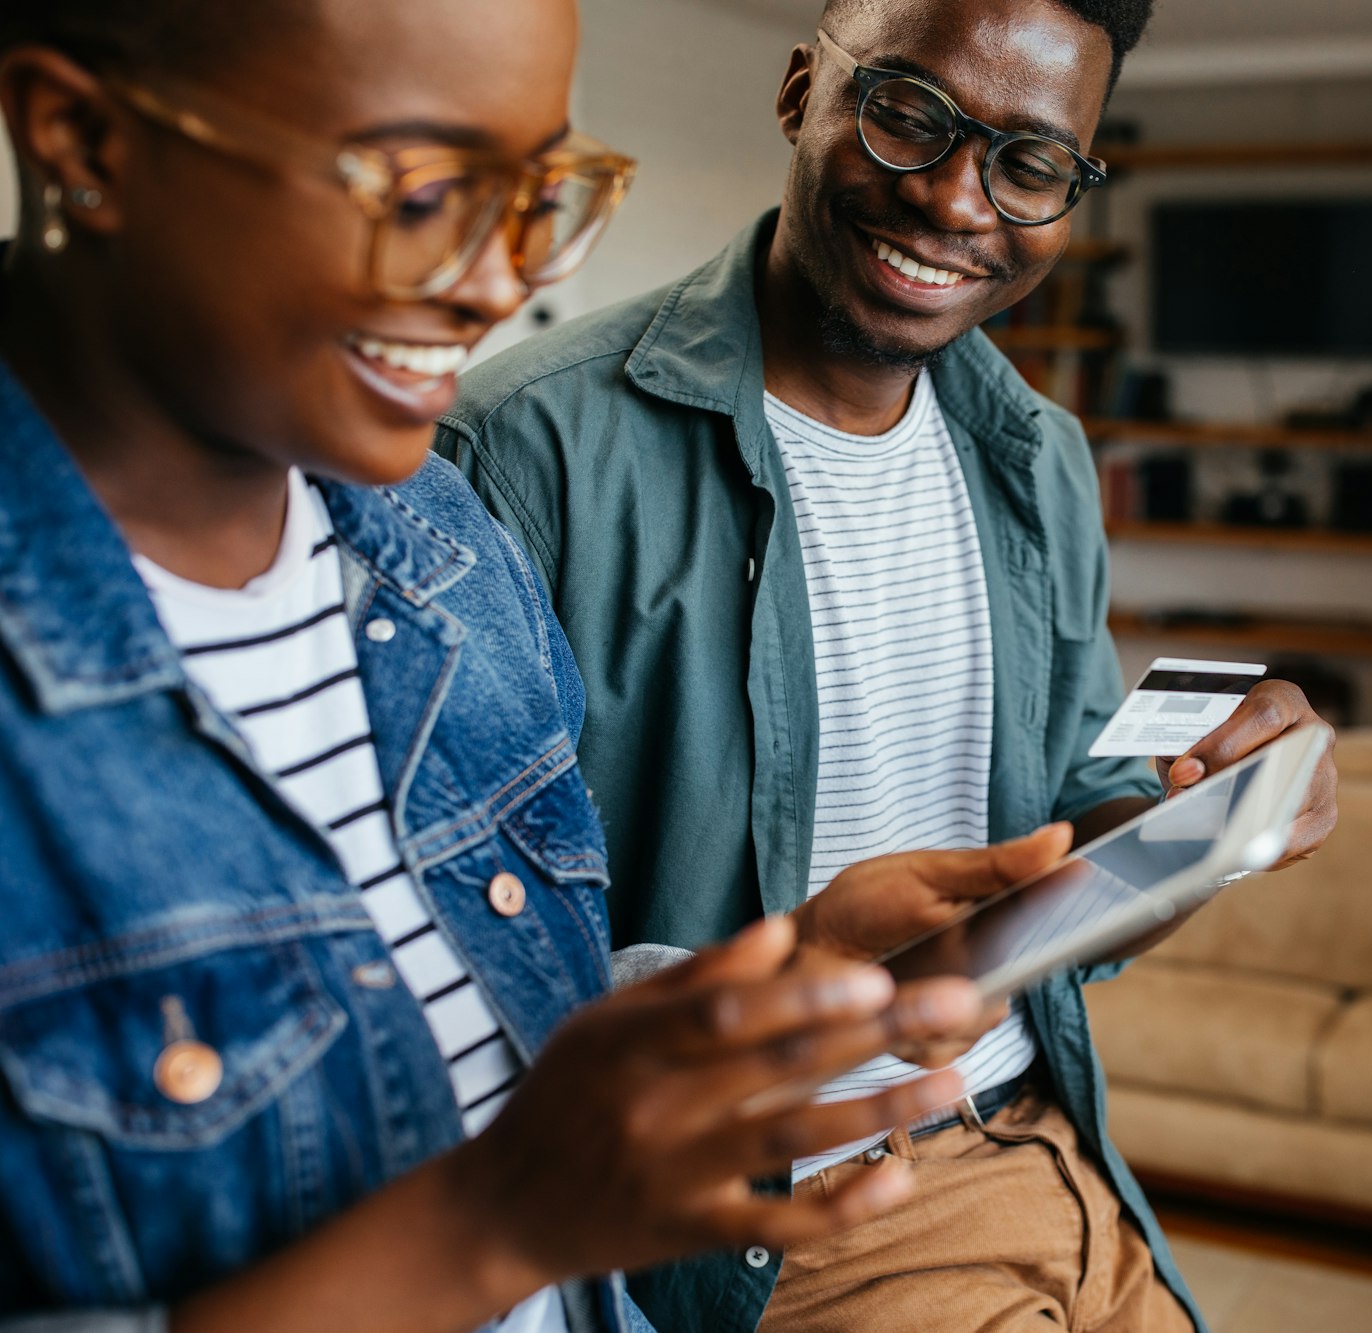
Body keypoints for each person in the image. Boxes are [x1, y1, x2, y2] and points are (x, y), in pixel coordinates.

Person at [0, 2, 1075, 1330]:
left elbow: (465, 1013)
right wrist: (494, 1220)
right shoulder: (517, 453)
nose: (502, 280)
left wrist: (734, 992)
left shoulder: (438, 547)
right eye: (422, 187)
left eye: (536, 191)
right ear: (79, 136)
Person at [440, 0, 1341, 1327]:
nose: (958, 202)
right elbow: (447, 975)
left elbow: (1068, 866)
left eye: (1029, 163)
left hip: (1056, 1154)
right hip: (795, 1224)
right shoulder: (525, 452)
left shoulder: (1037, 459)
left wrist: (1207, 814)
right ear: (806, 92)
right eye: (910, 115)